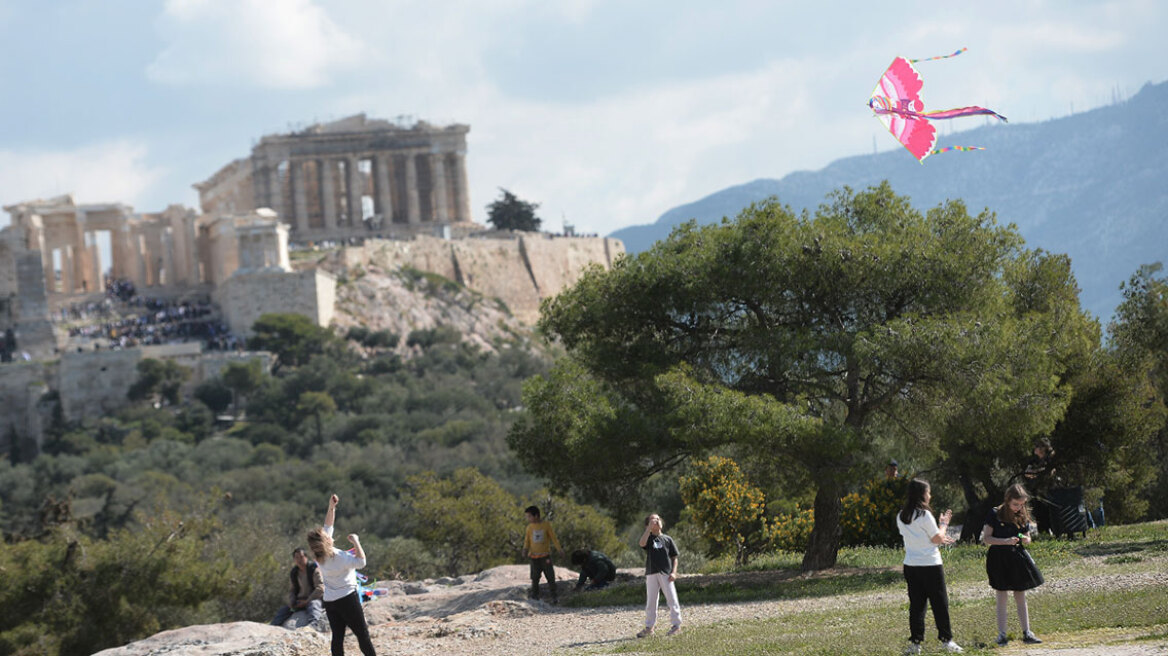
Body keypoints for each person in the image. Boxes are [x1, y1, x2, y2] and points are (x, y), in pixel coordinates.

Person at [896, 479, 963, 654]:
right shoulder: (924, 515)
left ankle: (916, 643)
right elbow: (936, 539)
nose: (930, 495)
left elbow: (920, 538)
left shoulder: (901, 515)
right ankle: (946, 640)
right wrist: (944, 525)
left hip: (911, 565)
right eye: (928, 492)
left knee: (917, 605)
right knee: (939, 603)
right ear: (922, 495)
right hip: (930, 565)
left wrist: (939, 535)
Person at [306, 494, 376, 656]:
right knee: (362, 635)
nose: (328, 534)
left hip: (330, 601)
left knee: (337, 638)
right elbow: (361, 562)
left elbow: (328, 525)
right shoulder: (341, 557)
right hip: (347, 599)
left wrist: (332, 507)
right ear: (327, 541)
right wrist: (356, 541)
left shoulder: (319, 556)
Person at [981, 484, 1044, 646]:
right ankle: (1002, 634)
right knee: (1001, 595)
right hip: (999, 558)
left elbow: (1027, 536)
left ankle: (1027, 632)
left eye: (1022, 504)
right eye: (1016, 504)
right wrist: (1005, 541)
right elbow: (986, 538)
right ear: (1008, 500)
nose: (1019, 508)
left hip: (1017, 557)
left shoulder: (1022, 514)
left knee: (1020, 595)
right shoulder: (994, 513)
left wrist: (1025, 538)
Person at [636, 513, 682, 638]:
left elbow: (674, 558)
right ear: (648, 525)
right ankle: (649, 628)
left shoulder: (668, 539)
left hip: (666, 573)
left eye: (658, 519)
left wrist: (674, 572)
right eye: (652, 520)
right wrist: (648, 529)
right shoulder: (649, 538)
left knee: (672, 599)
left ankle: (676, 625)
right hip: (651, 572)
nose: (656, 521)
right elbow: (641, 543)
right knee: (651, 601)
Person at [270, 547, 325, 627]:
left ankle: (314, 626)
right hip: (299, 601)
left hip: (313, 599)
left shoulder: (314, 569)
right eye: (296, 558)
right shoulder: (294, 572)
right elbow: (292, 590)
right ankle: (273, 627)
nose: (299, 560)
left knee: (314, 606)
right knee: (283, 611)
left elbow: (320, 588)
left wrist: (307, 601)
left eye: (301, 557)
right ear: (294, 560)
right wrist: (292, 601)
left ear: (306, 557)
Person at [523, 505, 562, 603]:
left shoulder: (546, 525)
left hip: (545, 556)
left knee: (550, 576)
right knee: (535, 577)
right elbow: (527, 540)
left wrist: (559, 550)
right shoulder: (529, 528)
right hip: (534, 556)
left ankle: (554, 596)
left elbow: (554, 538)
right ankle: (535, 596)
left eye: (529, 516)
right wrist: (525, 549)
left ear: (536, 516)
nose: (528, 519)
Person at [1023, 439, 1058, 534]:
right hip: (1038, 490)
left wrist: (1037, 472)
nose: (1035, 449)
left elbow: (1050, 471)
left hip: (1049, 489)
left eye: (1037, 447)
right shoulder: (1035, 460)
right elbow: (1027, 472)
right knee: (1038, 511)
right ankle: (1043, 532)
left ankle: (1053, 530)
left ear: (1043, 448)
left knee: (1048, 511)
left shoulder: (1050, 458)